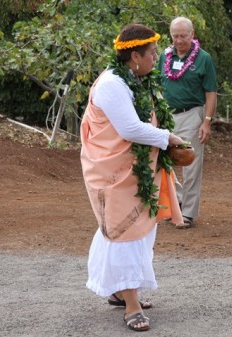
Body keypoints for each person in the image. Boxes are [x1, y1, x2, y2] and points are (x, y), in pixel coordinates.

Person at [80, 24, 185, 332]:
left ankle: (118, 290)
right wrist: (169, 138)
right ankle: (131, 305)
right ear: (135, 56)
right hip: (111, 171)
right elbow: (129, 129)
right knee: (122, 230)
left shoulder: (137, 80)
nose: (158, 58)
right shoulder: (112, 83)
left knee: (132, 228)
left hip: (134, 169)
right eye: (152, 53)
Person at [157, 16, 217, 229]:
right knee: (163, 161)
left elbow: (211, 92)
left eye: (184, 35)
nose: (179, 40)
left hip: (192, 114)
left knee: (191, 163)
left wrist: (207, 122)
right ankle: (177, 200)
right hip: (166, 116)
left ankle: (189, 212)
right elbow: (156, 85)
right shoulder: (164, 56)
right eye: (175, 36)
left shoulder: (203, 59)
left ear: (192, 35)